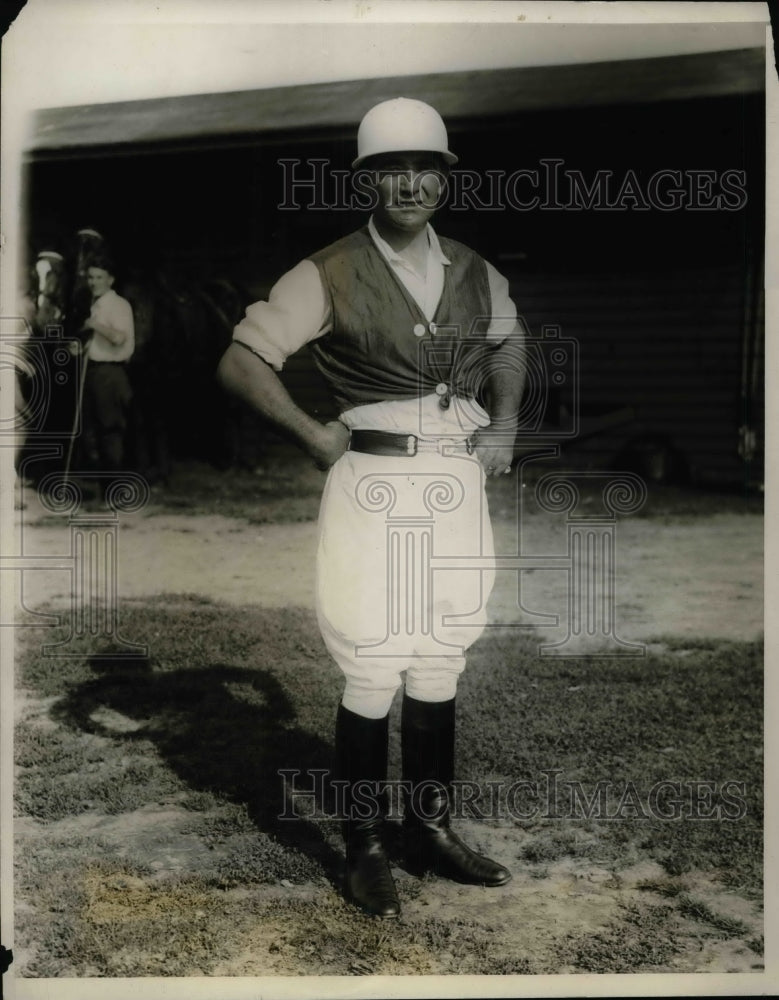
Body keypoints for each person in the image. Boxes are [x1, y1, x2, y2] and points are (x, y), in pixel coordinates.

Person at [217, 97, 525, 918]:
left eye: (427, 168)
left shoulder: (474, 267)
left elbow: (509, 342)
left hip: (456, 482)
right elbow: (242, 362)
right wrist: (311, 437)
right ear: (367, 179)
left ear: (445, 178)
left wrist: (507, 424)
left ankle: (427, 828)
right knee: (373, 657)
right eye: (393, 169)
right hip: (374, 484)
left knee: (441, 651)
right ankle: (365, 846)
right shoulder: (324, 271)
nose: (411, 182)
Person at [78, 257, 135, 480]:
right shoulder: (97, 305)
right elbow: (99, 342)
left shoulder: (118, 305)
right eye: (90, 277)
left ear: (110, 280)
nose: (93, 282)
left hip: (110, 374)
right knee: (92, 430)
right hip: (93, 371)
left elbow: (119, 338)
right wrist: (82, 348)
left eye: (99, 277)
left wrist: (94, 325)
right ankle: (103, 487)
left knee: (110, 431)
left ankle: (111, 492)